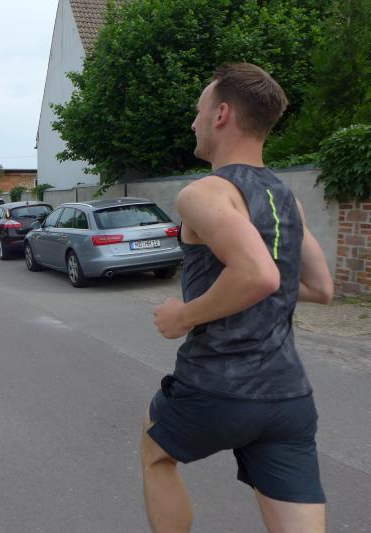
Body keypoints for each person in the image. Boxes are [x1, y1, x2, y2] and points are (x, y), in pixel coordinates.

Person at [142, 63, 334, 533]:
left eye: (199, 111)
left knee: (155, 455)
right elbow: (320, 288)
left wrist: (183, 316)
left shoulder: (204, 193)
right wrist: (252, 283)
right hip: (288, 397)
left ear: (222, 114)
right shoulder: (287, 198)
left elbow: (258, 274)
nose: (194, 122)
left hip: (216, 387)